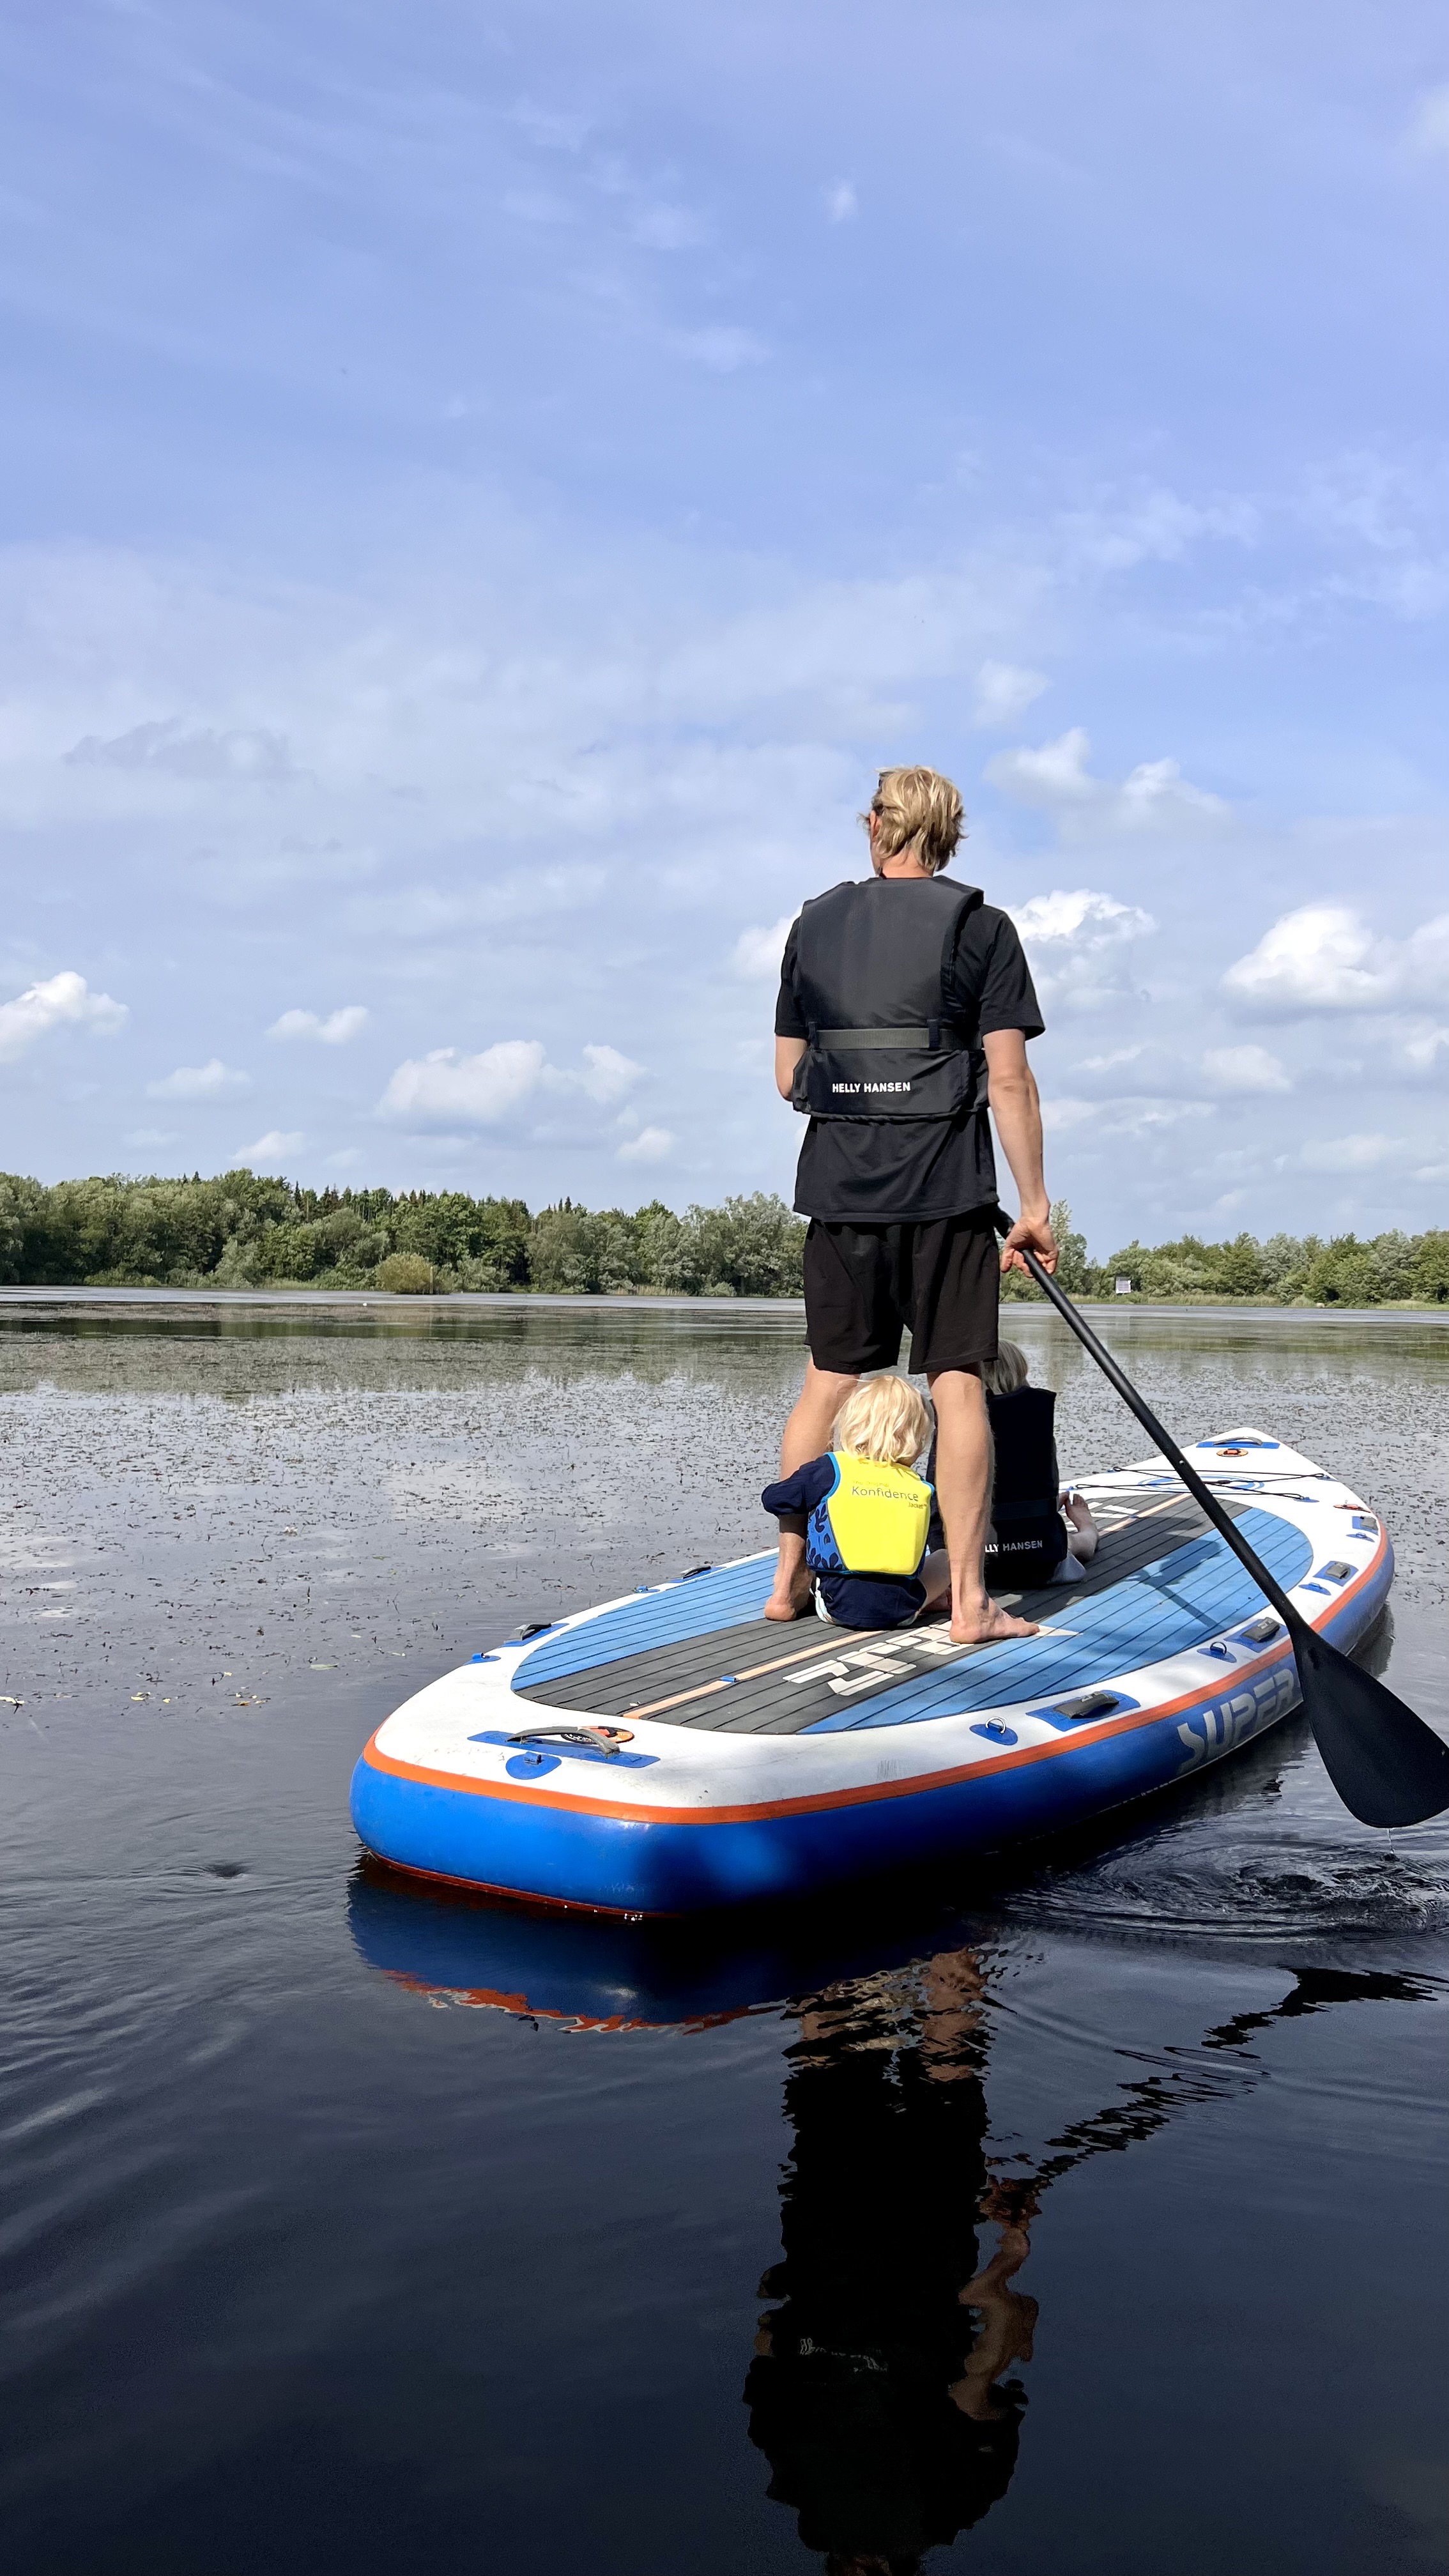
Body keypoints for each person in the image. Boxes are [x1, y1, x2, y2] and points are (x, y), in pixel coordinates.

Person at [768, 763, 1057, 1644]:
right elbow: (1008, 1079)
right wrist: (1034, 1204)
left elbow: (788, 1079)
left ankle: (786, 1587)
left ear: (874, 826)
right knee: (958, 1388)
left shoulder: (811, 926)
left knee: (827, 1384)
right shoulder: (984, 928)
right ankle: (970, 1606)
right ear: (951, 834)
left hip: (841, 1191)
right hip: (945, 1196)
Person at [761, 1372, 951, 1632]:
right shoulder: (919, 1485)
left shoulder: (832, 1469)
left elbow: (775, 1500)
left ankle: (789, 1587)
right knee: (946, 1557)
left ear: (852, 1423)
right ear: (917, 1438)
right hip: (902, 1611)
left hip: (834, 1606)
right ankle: (934, 1597)